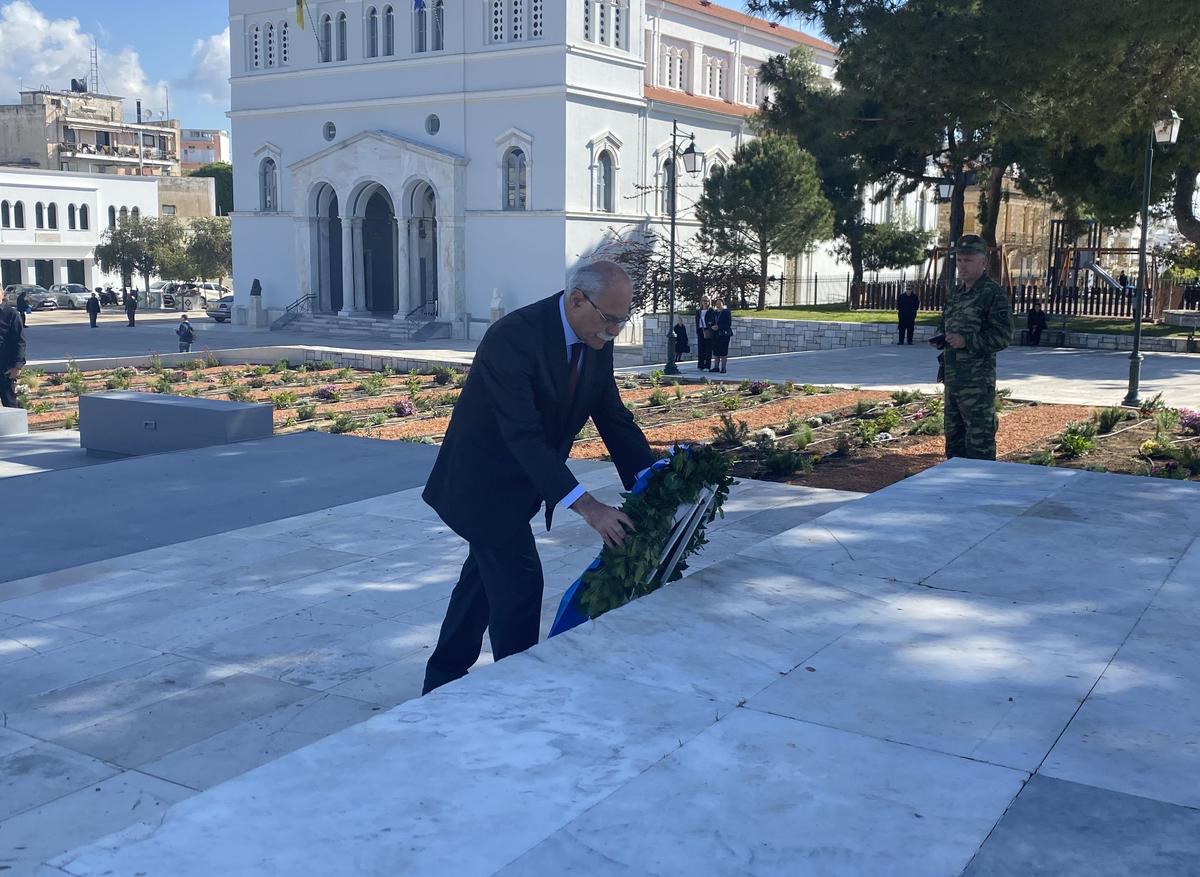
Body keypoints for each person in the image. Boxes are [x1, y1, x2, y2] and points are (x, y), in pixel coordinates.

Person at [421, 261, 656, 695]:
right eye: (610, 320)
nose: (615, 332)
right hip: (481, 485)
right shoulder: (514, 336)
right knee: (520, 585)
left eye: (623, 321)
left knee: (480, 585)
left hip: (521, 486)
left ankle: (441, 682)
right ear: (576, 300)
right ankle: (521, 693)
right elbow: (523, 436)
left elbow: (613, 418)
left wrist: (653, 480)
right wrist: (589, 508)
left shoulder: (593, 341)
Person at [931, 234, 1012, 460]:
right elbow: (946, 323)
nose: (962, 266)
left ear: (983, 262)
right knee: (954, 444)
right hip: (953, 380)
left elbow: (1003, 336)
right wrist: (942, 337)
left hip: (976, 384)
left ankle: (981, 491)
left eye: (968, 260)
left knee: (979, 445)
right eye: (959, 260)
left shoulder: (992, 294)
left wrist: (967, 341)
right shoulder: (957, 293)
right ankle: (955, 493)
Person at [0, 299, 26, 408]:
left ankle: (14, 425)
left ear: (2, 293)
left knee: (10, 403)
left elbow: (20, 341)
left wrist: (17, 366)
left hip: (5, 368)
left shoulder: (11, 314)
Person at [709, 297, 732, 373]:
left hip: (724, 335)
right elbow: (711, 321)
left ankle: (723, 368)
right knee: (716, 352)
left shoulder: (726, 312)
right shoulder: (714, 313)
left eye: (720, 303)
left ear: (723, 304)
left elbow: (728, 323)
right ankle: (716, 367)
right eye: (717, 303)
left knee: (723, 352)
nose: (718, 305)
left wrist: (719, 327)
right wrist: (712, 326)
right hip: (716, 335)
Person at [695, 296, 714, 371]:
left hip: (707, 330)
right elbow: (697, 320)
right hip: (700, 330)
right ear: (701, 302)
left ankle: (707, 366)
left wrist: (710, 323)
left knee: (708, 348)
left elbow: (713, 320)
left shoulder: (711, 311)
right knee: (701, 348)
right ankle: (700, 365)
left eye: (707, 301)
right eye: (704, 300)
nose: (705, 302)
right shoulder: (698, 311)